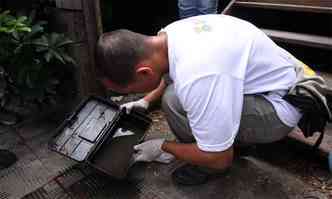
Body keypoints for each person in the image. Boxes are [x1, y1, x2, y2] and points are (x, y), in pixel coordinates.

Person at [96, 14, 331, 185]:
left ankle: (207, 158)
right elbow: (168, 76)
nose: (130, 96)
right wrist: (145, 101)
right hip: (267, 81)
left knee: (180, 107)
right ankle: (220, 138)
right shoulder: (170, 35)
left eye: (129, 92)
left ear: (144, 72)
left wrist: (161, 146)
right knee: (172, 96)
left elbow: (220, 159)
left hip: (279, 106)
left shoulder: (200, 74)